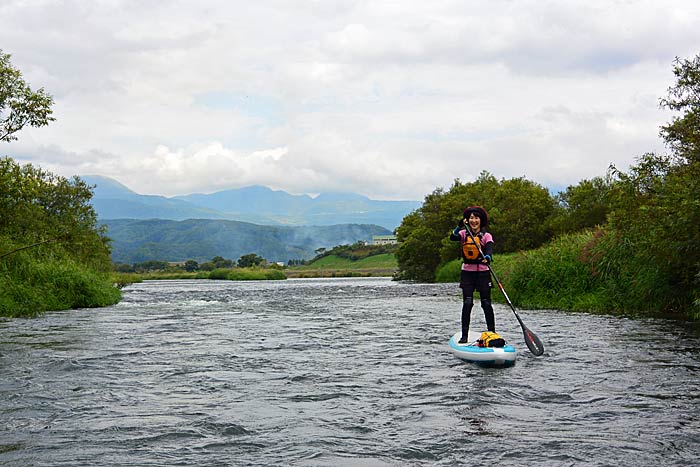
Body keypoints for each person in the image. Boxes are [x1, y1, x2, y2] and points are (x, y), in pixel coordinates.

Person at [449, 206, 495, 344]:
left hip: (483, 273)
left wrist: (488, 256)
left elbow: (489, 248)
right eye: (471, 218)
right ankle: (464, 335)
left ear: (481, 220)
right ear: (467, 220)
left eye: (476, 218)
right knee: (467, 303)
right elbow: (453, 237)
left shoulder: (486, 236)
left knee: (486, 304)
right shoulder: (464, 233)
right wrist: (459, 226)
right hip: (467, 273)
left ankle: (492, 334)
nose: (474, 220)